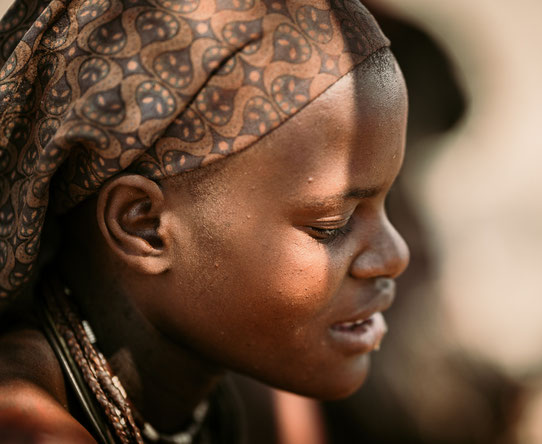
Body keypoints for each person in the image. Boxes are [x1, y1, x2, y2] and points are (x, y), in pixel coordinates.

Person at [0, 0, 410, 441]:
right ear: (145, 225)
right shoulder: (27, 429)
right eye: (331, 225)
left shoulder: (259, 396)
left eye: (385, 204)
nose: (395, 255)